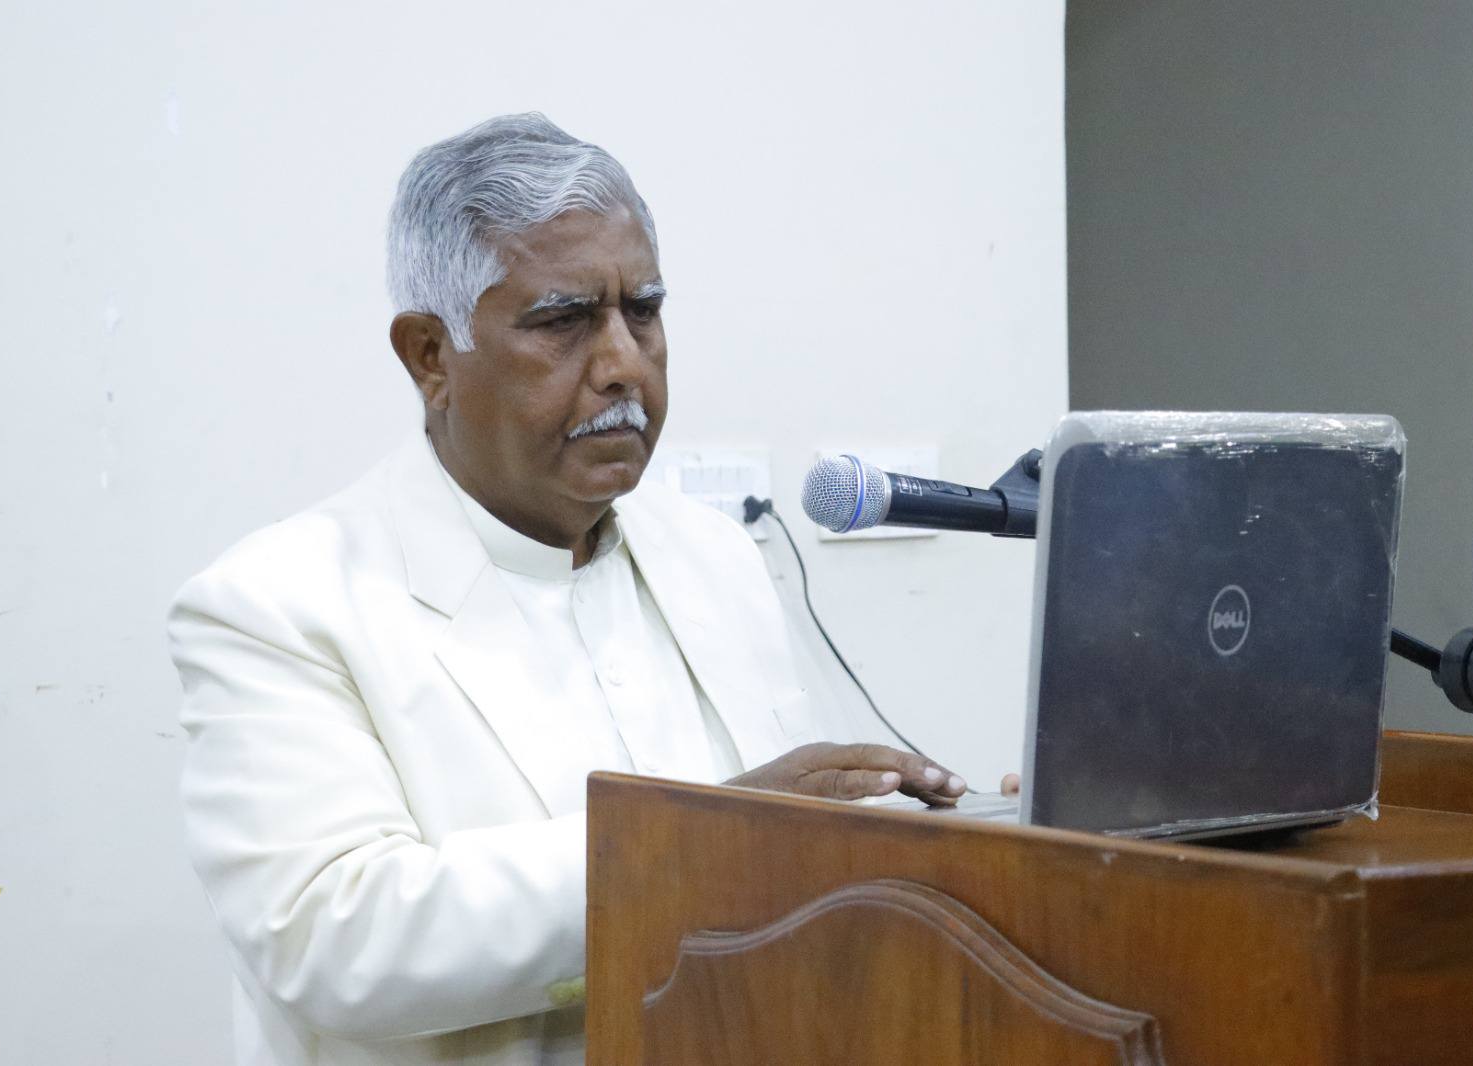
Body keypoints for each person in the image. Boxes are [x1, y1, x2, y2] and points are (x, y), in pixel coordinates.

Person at [168, 113, 981, 1066]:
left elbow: (784, 867)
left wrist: (990, 838)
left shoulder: (713, 556)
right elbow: (333, 941)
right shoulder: (279, 604)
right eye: (563, 321)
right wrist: (699, 843)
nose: (624, 364)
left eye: (644, 311)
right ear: (430, 355)